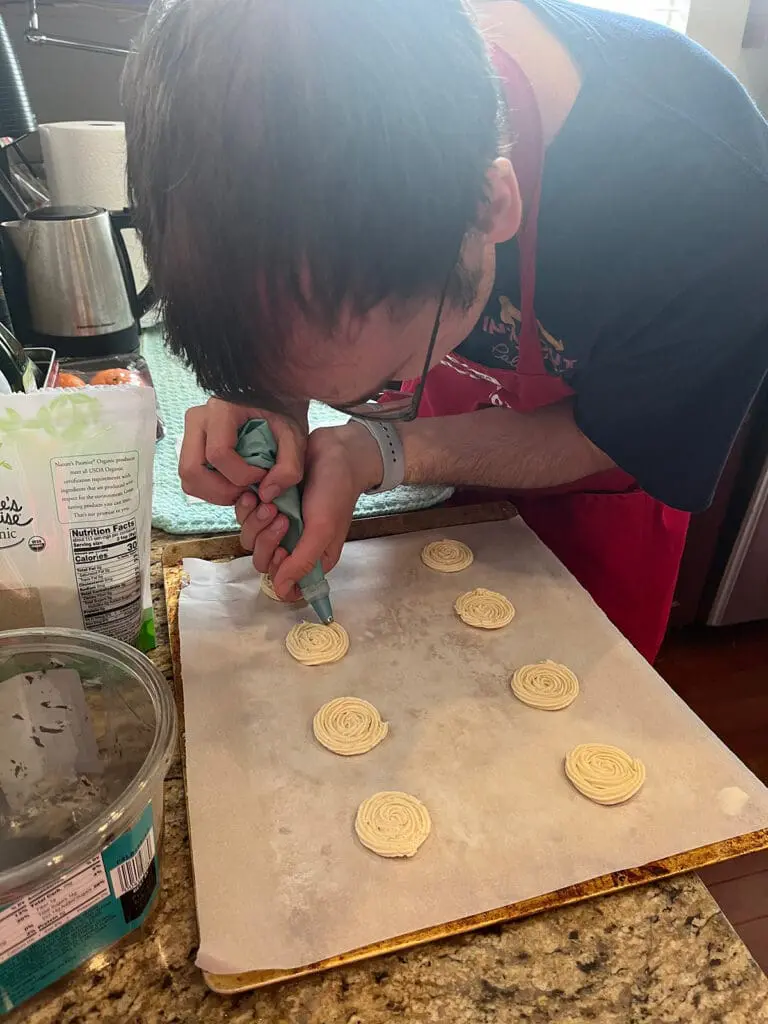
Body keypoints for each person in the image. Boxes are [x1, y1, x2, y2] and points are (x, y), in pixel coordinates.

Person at [123, 0, 768, 661]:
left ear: (492, 205)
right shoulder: (274, 72)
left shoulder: (713, 212)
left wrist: (381, 449)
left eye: (381, 380)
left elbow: (609, 436)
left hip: (600, 499)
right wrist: (268, 393)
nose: (361, 396)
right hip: (434, 485)